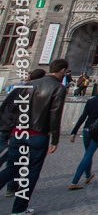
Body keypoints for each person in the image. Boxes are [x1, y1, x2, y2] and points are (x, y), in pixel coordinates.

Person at [0, 57, 69, 214]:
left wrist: (11, 130)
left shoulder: (29, 84)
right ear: (63, 71)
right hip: (38, 135)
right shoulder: (58, 87)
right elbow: (55, 115)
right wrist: (55, 140)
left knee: (11, 168)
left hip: (18, 132)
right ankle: (19, 209)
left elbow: (15, 109)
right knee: (31, 172)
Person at [68, 80, 98, 190]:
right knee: (88, 154)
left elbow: (83, 117)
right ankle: (74, 181)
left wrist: (74, 132)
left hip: (86, 130)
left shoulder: (91, 101)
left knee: (88, 153)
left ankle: (88, 175)